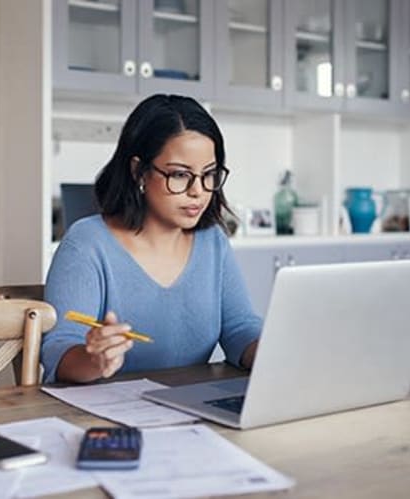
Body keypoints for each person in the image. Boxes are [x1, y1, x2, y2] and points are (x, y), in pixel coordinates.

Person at [41, 94, 261, 384]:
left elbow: (239, 329)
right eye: (180, 175)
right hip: (102, 418)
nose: (198, 191)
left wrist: (274, 352)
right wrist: (94, 359)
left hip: (188, 410)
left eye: (209, 174)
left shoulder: (212, 242)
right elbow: (59, 350)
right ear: (139, 171)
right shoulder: (87, 244)